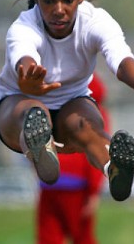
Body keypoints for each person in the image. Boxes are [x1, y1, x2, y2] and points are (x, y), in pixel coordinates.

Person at [0, 0, 134, 202]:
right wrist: (28, 80)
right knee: (35, 112)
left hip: (71, 103)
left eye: (67, 0)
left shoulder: (95, 21)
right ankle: (40, 148)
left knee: (89, 127)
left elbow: (120, 59)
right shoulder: (23, 27)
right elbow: (24, 57)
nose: (58, 10)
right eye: (48, 1)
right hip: (18, 104)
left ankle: (114, 168)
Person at [36, 73, 108, 244]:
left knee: (48, 237)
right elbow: (98, 153)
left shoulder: (52, 107)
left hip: (50, 182)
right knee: (82, 238)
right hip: (78, 187)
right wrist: (94, 191)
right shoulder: (96, 114)